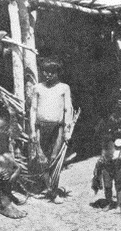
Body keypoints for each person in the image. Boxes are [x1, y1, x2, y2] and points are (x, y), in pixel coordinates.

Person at [29, 58, 73, 203]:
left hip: (58, 128)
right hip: (41, 127)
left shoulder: (63, 88)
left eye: (51, 72)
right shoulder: (37, 88)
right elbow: (33, 109)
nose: (47, 75)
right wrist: (32, 130)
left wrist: (67, 130)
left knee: (55, 158)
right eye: (45, 72)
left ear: (57, 73)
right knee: (42, 159)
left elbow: (68, 109)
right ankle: (48, 188)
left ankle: (53, 190)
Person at [92, 106, 121, 213]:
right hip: (107, 166)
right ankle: (109, 203)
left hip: (119, 166)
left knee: (119, 186)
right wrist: (102, 158)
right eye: (115, 127)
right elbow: (104, 150)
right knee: (108, 186)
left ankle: (119, 205)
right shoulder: (107, 138)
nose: (118, 130)